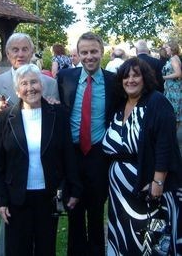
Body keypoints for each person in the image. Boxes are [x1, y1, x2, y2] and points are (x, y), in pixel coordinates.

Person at [0, 64, 81, 256]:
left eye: (34, 82)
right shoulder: (6, 118)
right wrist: (1, 200)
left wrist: (74, 189)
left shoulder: (58, 115)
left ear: (42, 84)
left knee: (46, 249)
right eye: (24, 83)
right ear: (17, 90)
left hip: (48, 195)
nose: (30, 87)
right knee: (17, 250)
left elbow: (68, 155)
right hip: (16, 197)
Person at [0, 32, 59, 256]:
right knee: (12, 234)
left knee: (44, 238)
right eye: (14, 50)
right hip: (12, 165)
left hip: (42, 170)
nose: (20, 54)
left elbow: (56, 124)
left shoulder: (50, 83)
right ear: (7, 54)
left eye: (25, 49)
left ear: (31, 51)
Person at [102, 57, 182, 255]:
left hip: (147, 186)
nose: (131, 80)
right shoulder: (120, 106)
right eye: (126, 76)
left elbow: (165, 145)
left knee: (150, 239)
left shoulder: (156, 102)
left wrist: (158, 181)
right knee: (123, 237)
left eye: (136, 75)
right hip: (119, 193)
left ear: (145, 78)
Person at [57, 32, 118, 256]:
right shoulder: (66, 77)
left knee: (95, 211)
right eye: (84, 52)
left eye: (94, 51)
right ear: (78, 54)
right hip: (71, 154)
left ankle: (96, 252)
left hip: (98, 154)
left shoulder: (114, 81)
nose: (89, 56)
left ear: (102, 52)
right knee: (73, 210)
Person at [162, 41, 182, 128]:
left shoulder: (174, 59)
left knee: (172, 115)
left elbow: (178, 74)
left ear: (172, 48)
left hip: (173, 91)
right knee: (174, 115)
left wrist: (164, 77)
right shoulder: (175, 58)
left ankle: (172, 138)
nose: (165, 49)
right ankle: (173, 137)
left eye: (167, 47)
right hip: (173, 90)